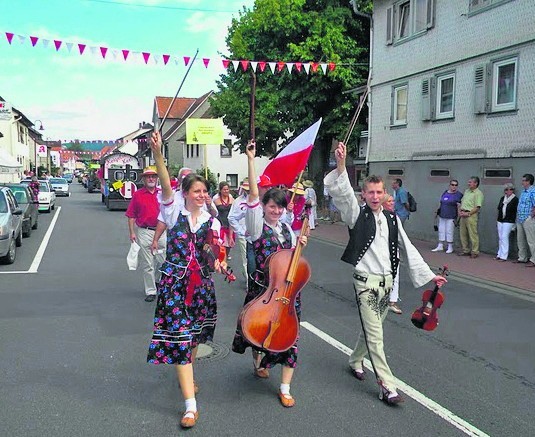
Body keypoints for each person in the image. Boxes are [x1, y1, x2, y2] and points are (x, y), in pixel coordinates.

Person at [324, 142, 446, 406]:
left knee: (372, 330)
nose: (376, 196)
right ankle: (387, 387)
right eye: (371, 192)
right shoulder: (356, 215)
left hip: (386, 286)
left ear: (385, 193)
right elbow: (344, 194)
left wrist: (429, 277)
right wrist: (342, 164)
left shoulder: (392, 219)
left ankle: (355, 359)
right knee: (376, 337)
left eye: (380, 192)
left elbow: (408, 247)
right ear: (364, 194)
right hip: (365, 286)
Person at [147, 131, 222, 429]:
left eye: (205, 191)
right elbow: (166, 183)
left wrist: (219, 260)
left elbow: (217, 250)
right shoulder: (173, 208)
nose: (202, 195)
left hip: (201, 286)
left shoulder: (212, 221)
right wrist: (157, 154)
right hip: (175, 286)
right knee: (179, 338)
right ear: (185, 193)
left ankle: (187, 370)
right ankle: (190, 406)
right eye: (197, 191)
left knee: (192, 338)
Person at [232, 140, 307, 409]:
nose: (277, 211)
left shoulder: (288, 229)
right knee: (258, 331)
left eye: (281, 207)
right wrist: (251, 161)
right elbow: (252, 197)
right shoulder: (255, 227)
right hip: (263, 290)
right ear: (264, 206)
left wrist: (300, 247)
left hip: (286, 293)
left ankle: (285, 387)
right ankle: (259, 358)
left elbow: (293, 261)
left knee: (291, 338)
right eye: (272, 206)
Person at [125, 166, 166, 302]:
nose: (151, 179)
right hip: (145, 231)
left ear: (157, 178)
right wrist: (132, 233)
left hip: (161, 232)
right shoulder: (138, 195)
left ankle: (158, 280)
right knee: (148, 263)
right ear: (143, 179)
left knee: (163, 260)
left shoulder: (163, 193)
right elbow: (131, 215)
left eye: (153, 176)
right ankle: (151, 291)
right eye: (148, 176)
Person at [228, 179, 251, 284]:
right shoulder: (238, 201)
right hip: (244, 235)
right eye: (247, 189)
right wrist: (241, 231)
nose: (248, 191)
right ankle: (248, 282)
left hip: (258, 235)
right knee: (246, 259)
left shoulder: (260, 200)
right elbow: (231, 218)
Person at [382, 194, 402, 315]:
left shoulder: (395, 217)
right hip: (382, 252)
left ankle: (392, 301)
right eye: (389, 201)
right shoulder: (378, 216)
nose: (392, 203)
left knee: (395, 276)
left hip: (394, 251)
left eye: (393, 201)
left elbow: (401, 237)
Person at [432, 180, 463, 254]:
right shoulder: (445, 192)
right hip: (442, 214)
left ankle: (450, 246)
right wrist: (437, 211)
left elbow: (459, 205)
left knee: (449, 231)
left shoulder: (458, 194)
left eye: (456, 185)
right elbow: (441, 203)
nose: (454, 186)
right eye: (452, 185)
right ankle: (440, 245)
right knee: (441, 229)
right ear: (449, 185)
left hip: (451, 216)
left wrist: (459, 216)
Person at [457, 176, 484, 259]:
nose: (468, 183)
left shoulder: (478, 193)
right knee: (463, 233)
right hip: (463, 213)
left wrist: (468, 213)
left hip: (471, 215)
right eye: (468, 182)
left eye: (470, 182)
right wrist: (460, 211)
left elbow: (477, 207)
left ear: (475, 183)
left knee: (473, 234)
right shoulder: (467, 191)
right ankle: (466, 250)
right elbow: (462, 202)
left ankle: (475, 251)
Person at [514, 173, 535, 266]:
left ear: (528, 181)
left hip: (528, 218)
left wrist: (531, 216)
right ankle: (522, 257)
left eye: (523, 180)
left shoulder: (533, 191)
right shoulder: (523, 192)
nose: (522, 182)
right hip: (520, 218)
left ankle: (533, 259)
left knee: (531, 240)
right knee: (520, 240)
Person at [495, 183, 518, 262]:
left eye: (509, 189)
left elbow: (515, 212)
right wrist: (497, 219)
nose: (507, 191)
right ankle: (499, 254)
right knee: (500, 237)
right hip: (500, 219)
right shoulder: (502, 198)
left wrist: (515, 223)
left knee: (504, 237)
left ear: (512, 190)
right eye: (506, 190)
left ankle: (504, 256)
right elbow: (499, 209)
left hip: (509, 220)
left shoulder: (515, 199)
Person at [213, 181, 235, 259]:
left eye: (227, 189)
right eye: (224, 189)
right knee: (221, 244)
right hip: (221, 224)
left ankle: (225, 257)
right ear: (220, 190)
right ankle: (222, 259)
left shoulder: (232, 200)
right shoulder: (216, 200)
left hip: (230, 225)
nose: (226, 191)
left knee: (229, 244)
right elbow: (213, 213)